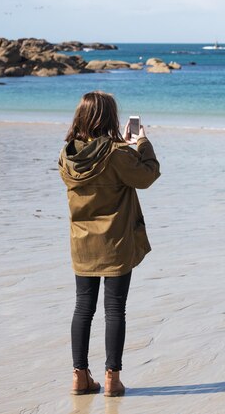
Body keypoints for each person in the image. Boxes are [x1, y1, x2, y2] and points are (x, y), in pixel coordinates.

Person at [58, 91, 160, 396]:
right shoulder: (117, 154)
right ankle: (112, 380)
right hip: (115, 241)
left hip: (82, 242)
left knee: (83, 308)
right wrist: (141, 142)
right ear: (110, 118)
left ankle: (80, 377)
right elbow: (149, 175)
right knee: (115, 309)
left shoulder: (68, 155)